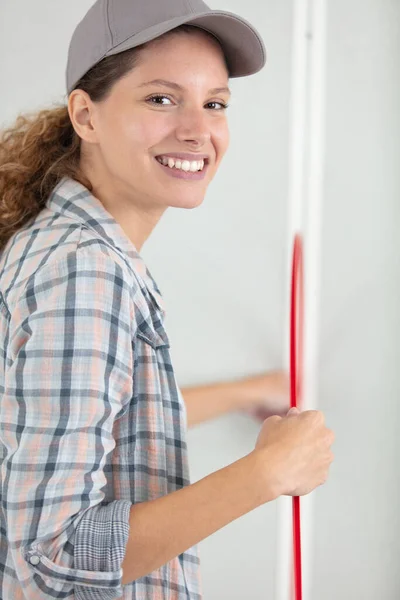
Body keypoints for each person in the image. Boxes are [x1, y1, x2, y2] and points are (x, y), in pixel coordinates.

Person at [0, 0, 335, 598]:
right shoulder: (86, 271)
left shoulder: (63, 244)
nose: (197, 130)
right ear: (86, 115)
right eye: (161, 98)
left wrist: (244, 392)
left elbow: (91, 410)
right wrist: (266, 474)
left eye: (215, 104)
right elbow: (51, 554)